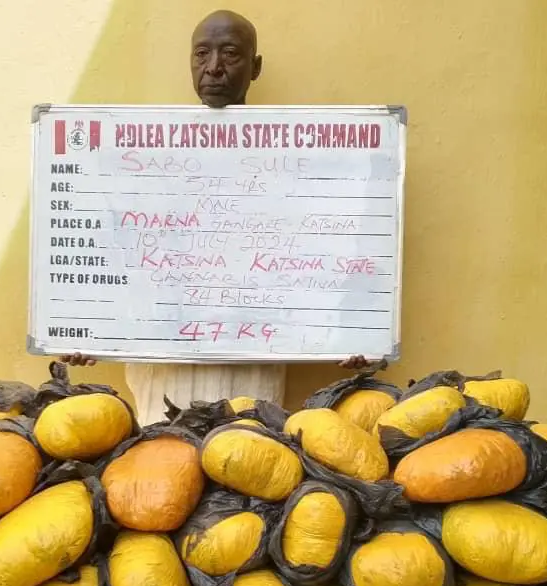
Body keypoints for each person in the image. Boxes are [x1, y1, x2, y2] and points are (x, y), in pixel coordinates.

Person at [61, 10, 375, 413]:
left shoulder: (294, 162)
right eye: (201, 54)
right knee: (161, 454)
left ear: (255, 67)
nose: (213, 67)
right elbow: (113, 249)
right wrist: (82, 326)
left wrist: (356, 332)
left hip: (251, 360)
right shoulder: (141, 158)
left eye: (230, 53)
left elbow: (327, 253)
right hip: (163, 366)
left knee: (245, 447)